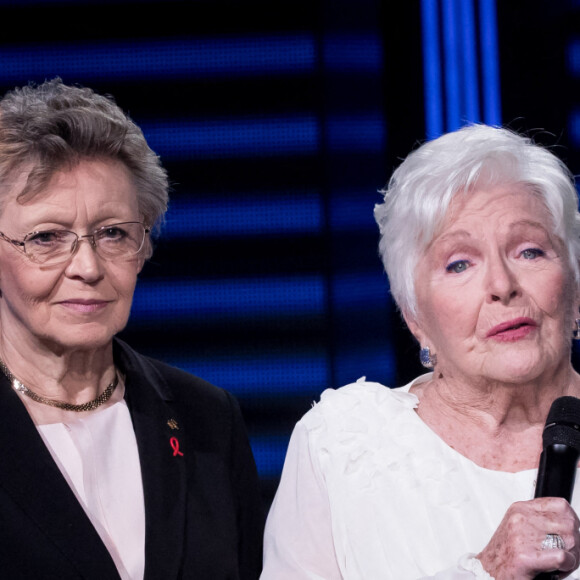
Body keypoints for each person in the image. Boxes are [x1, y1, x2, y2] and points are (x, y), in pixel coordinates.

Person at [261, 124, 580, 579]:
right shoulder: (343, 445)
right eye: (460, 264)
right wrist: (486, 573)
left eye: (529, 251)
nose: (502, 286)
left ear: (576, 286)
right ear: (415, 318)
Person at [0, 78, 264, 579]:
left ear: (144, 247)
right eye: (47, 237)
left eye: (114, 234)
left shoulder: (208, 419)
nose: (88, 267)